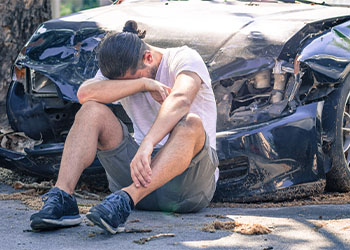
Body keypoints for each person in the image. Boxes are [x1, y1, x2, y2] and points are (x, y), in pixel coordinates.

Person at [29, 20, 218, 234]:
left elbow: (181, 99)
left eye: (134, 79)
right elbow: (84, 94)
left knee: (191, 122)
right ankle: (63, 197)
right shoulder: (122, 69)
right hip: (137, 173)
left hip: (187, 187)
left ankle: (127, 199)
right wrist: (142, 83)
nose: (129, 87)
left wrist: (148, 143)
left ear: (148, 58)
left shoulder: (184, 57)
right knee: (92, 109)